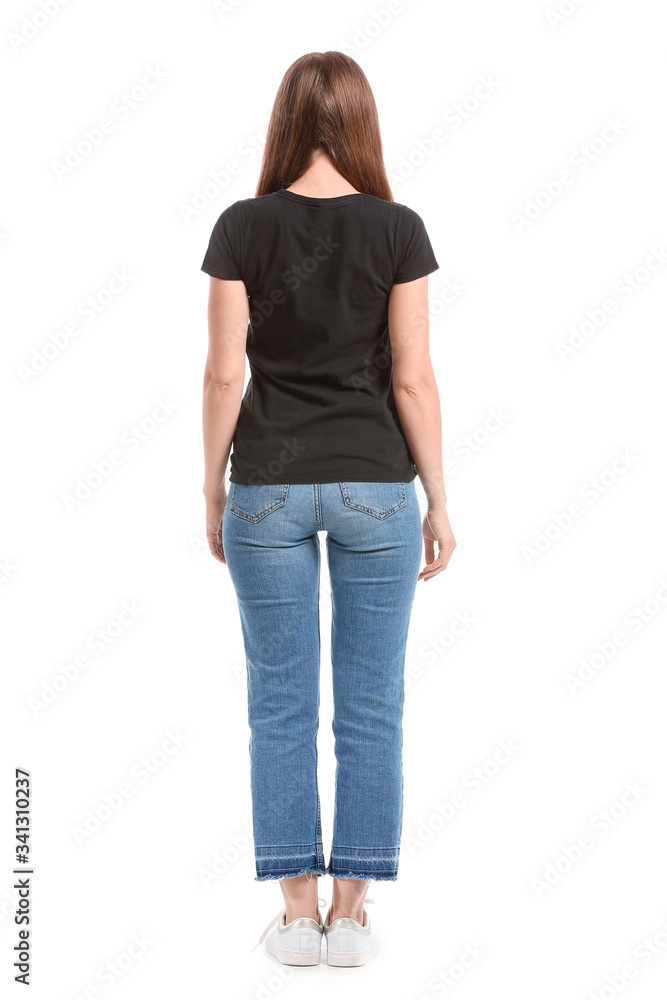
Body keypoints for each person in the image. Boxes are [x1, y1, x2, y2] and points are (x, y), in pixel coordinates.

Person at [200, 50, 456, 968]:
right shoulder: (398, 229)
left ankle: (294, 916)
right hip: (375, 486)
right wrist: (438, 496)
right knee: (371, 707)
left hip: (265, 485)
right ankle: (351, 914)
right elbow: (415, 378)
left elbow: (227, 372)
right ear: (360, 123)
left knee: (278, 706)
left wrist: (210, 484)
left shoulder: (241, 226)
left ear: (282, 122)